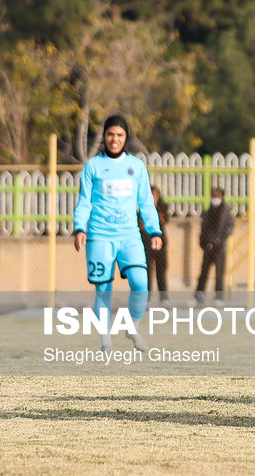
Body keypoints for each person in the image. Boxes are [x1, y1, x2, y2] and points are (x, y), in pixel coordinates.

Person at [73, 114, 162, 353]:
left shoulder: (136, 167)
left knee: (140, 283)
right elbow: (84, 201)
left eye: (119, 135)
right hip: (100, 236)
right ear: (104, 136)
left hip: (129, 236)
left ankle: (132, 327)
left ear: (126, 138)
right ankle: (105, 340)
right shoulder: (93, 166)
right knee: (103, 289)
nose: (114, 139)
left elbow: (146, 203)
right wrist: (79, 228)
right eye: (110, 134)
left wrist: (155, 231)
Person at [195, 187, 234, 304]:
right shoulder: (208, 212)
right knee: (204, 272)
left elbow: (229, 228)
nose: (215, 199)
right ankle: (199, 296)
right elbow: (204, 229)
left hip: (220, 247)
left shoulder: (226, 213)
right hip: (208, 246)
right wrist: (204, 242)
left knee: (219, 273)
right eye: (213, 196)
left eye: (217, 196)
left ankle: (219, 297)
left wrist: (219, 240)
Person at [138, 185, 170, 304]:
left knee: (161, 271)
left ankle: (164, 297)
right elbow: (140, 225)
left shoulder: (162, 207)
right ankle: (147, 298)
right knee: (146, 272)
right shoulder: (141, 208)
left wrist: (154, 208)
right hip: (146, 243)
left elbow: (164, 220)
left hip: (160, 244)